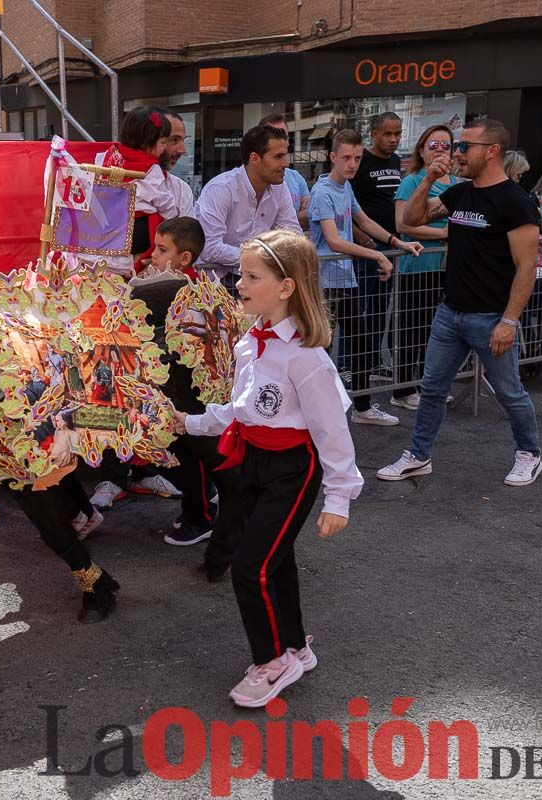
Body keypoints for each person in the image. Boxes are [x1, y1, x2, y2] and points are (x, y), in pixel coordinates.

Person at [172, 229, 363, 708]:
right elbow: (241, 408)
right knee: (273, 561)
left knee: (249, 566)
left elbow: (333, 434)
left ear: (286, 287)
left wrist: (339, 498)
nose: (239, 283)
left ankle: (272, 661)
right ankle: (293, 646)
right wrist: (190, 422)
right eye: (242, 273)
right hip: (252, 460)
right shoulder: (249, 342)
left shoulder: (307, 358)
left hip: (292, 470)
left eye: (251, 276)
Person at [377, 118, 542, 487]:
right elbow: (410, 220)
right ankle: (419, 456)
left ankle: (528, 453)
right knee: (433, 389)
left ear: (492, 151)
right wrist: (425, 180)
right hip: (450, 313)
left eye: (465, 146)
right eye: (458, 146)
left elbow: (526, 268)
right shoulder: (460, 193)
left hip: (491, 318)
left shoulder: (516, 202)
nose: (456, 153)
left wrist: (509, 321)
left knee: (509, 392)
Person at [131, 216, 241, 560]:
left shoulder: (191, 294)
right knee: (186, 449)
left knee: (197, 449)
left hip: (193, 392)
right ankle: (204, 508)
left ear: (185, 259)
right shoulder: (168, 285)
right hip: (179, 392)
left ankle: (204, 514)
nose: (153, 256)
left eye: (162, 250)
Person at [309, 129, 422, 427]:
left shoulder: (345, 188)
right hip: (324, 285)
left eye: (357, 158)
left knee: (360, 343)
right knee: (320, 350)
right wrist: (377, 255)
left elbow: (364, 221)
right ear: (333, 157)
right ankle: (317, 414)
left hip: (345, 281)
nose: (352, 164)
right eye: (346, 157)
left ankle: (362, 407)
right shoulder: (322, 192)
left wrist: (397, 243)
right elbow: (333, 240)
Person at [392, 124, 460, 409]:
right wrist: (445, 234)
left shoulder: (457, 184)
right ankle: (403, 389)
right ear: (422, 150)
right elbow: (403, 224)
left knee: (439, 331)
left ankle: (428, 384)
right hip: (418, 265)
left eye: (446, 145)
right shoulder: (413, 182)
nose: (440, 150)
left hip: (449, 268)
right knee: (413, 329)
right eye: (433, 145)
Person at [349, 112, 410, 405]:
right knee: (357, 306)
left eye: (397, 133)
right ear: (374, 133)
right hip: (365, 248)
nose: (394, 139)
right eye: (388, 134)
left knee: (379, 307)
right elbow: (350, 206)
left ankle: (373, 359)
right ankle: (351, 365)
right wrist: (362, 237)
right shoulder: (361, 161)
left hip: (388, 246)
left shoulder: (396, 162)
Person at [195, 124, 301, 291]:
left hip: (258, 281)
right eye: (278, 157)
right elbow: (209, 248)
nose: (286, 163)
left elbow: (293, 238)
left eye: (285, 156)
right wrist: (261, 258)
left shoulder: (280, 188)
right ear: (255, 159)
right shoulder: (222, 189)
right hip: (215, 285)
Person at [95, 105, 179, 275]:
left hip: (104, 225)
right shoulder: (150, 170)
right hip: (137, 231)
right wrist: (174, 217)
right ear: (145, 142)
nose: (164, 148)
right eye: (162, 142)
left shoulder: (104, 156)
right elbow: (163, 201)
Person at [260, 112, 311, 228]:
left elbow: (312, 212)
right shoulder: (257, 182)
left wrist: (287, 219)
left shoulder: (295, 176)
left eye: (283, 136)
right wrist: (292, 218)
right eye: (274, 136)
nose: (280, 141)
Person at [160, 108, 195, 217]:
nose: (183, 150)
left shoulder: (181, 189)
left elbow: (187, 233)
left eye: (183, 140)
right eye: (174, 140)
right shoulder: (116, 181)